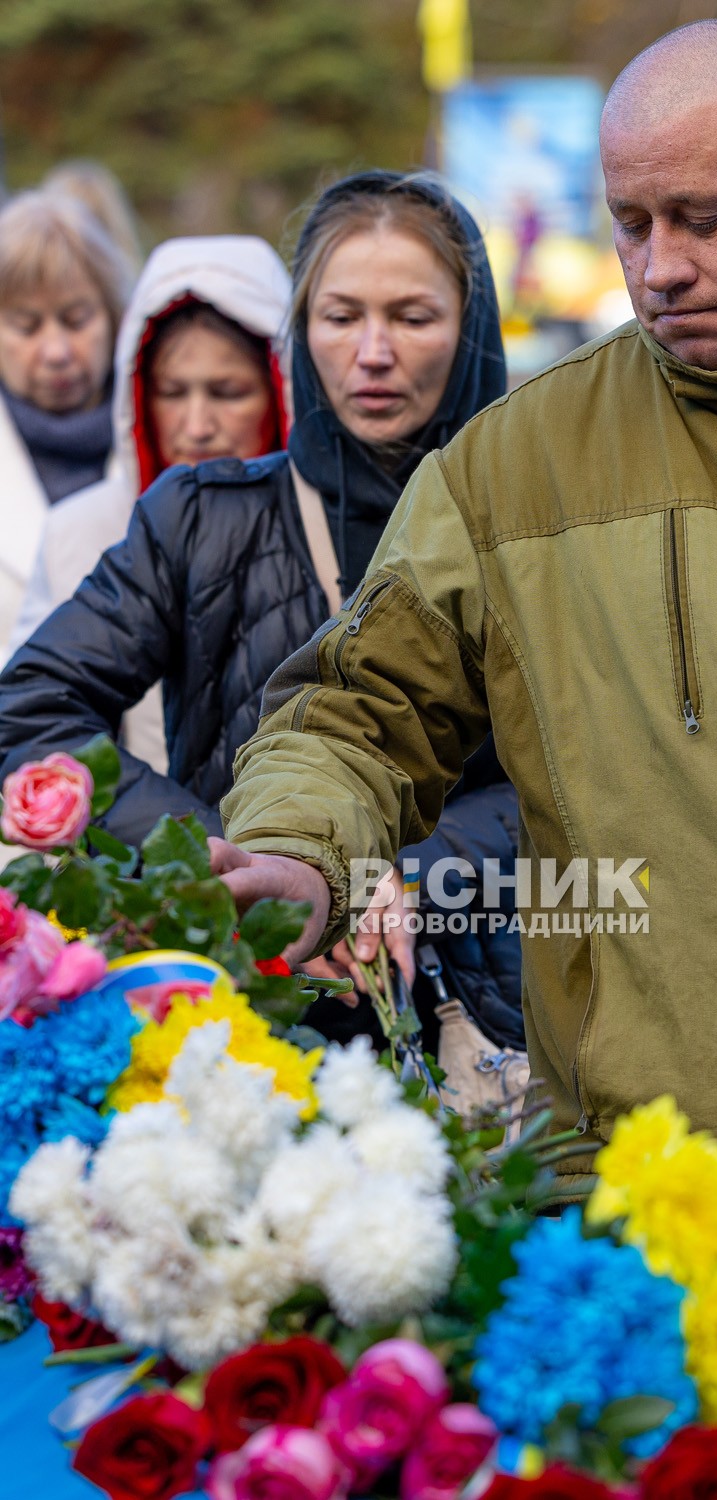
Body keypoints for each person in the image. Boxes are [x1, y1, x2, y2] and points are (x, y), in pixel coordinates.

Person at [213, 22, 717, 1498]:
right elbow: (352, 713)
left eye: (701, 219)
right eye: (627, 222)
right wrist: (299, 846)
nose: (655, 266)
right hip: (665, 1211)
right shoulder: (518, 471)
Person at [0, 170, 520, 1042]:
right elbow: (28, 712)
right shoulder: (203, 517)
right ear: (301, 333)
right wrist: (239, 874)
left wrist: (419, 878)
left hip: (485, 1004)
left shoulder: (534, 530)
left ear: (470, 333)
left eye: (414, 317)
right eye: (342, 316)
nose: (374, 352)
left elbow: (590, 779)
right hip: (247, 1007)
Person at [10, 235, 292, 769]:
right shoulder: (83, 531)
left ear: (280, 389)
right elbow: (32, 736)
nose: (197, 426)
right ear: (138, 395)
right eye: (171, 392)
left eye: (228, 392)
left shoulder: (337, 524)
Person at [0, 191, 133, 663]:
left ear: (116, 316)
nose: (56, 351)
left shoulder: (172, 430)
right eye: (27, 325)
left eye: (76, 319)